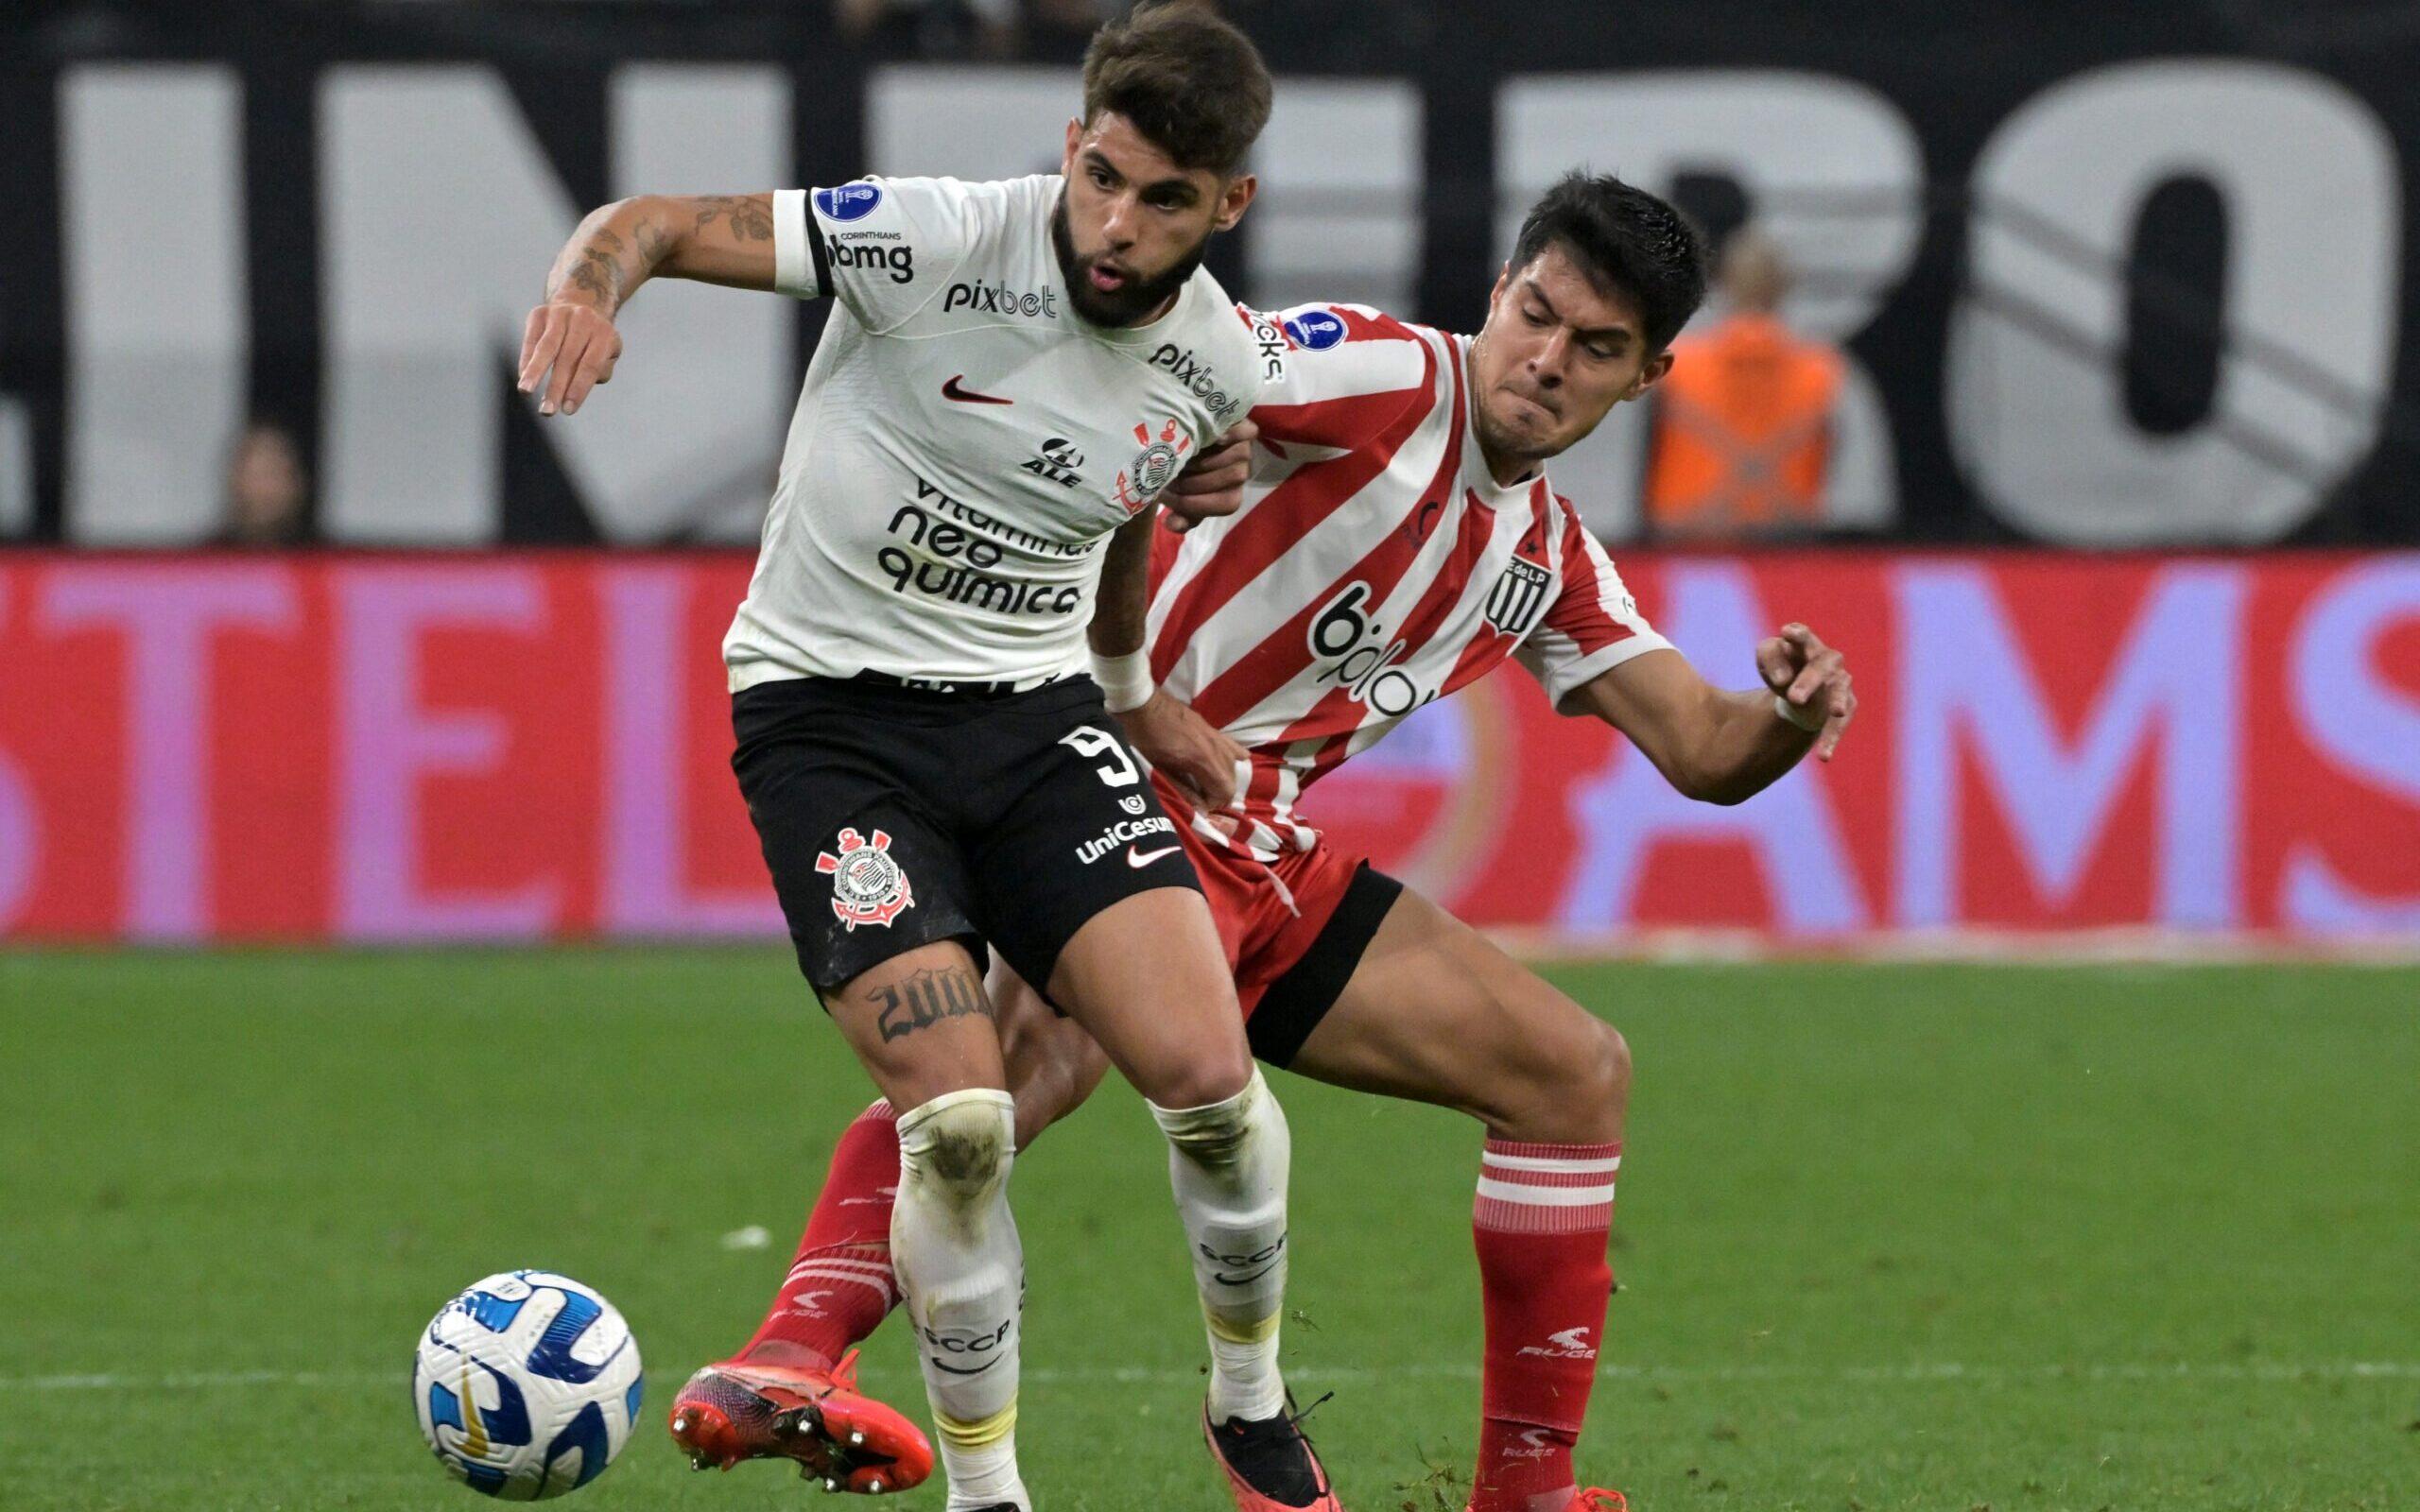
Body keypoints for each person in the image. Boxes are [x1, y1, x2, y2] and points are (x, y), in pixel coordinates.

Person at [717, 174, 1859, 1512]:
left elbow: (1706, 750)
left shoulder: (1544, 552)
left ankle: (1526, 1490)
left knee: (1571, 1075)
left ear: (1650, 374)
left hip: (1265, 856)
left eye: (1595, 348)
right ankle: (787, 1352)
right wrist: (1195, 443)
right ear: (1498, 292)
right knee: (1019, 1062)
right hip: (1119, 789)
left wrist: (1786, 716)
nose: (1548, 361)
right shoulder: (1379, 370)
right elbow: (1181, 366)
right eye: (1537, 315)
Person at [516, 9, 1339, 1511]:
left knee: (1213, 1084)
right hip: (831, 723)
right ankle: (988, 1496)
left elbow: (1127, 504)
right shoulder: (933, 238)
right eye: (1100, 175)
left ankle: (1248, 1401)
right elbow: (649, 222)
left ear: (1230, 207)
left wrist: (1130, 685)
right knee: (958, 1124)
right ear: (1072, 144)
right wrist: (587, 288)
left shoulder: (1217, 362)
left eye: (1163, 200)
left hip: (1031, 724)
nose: (1115, 224)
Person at [1641, 227, 1843, 541]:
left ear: (1723, 283)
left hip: (1687, 543)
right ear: (1782, 287)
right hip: (1788, 544)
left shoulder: (1678, 365)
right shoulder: (1821, 369)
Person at [212, 418, 312, 547]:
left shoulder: (326, 558)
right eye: (256, 476)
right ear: (235, 480)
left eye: (274, 474)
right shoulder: (206, 560)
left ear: (297, 484)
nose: (265, 490)